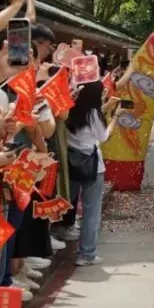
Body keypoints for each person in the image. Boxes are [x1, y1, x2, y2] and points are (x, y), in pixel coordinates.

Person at [64, 80, 117, 268]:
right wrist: (115, 119)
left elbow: (88, 121)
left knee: (67, 204)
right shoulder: (93, 113)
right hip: (93, 167)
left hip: (71, 164)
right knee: (91, 211)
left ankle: (61, 232)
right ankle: (86, 254)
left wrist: (104, 107)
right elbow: (103, 136)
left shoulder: (69, 108)